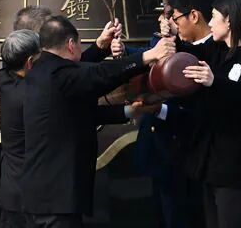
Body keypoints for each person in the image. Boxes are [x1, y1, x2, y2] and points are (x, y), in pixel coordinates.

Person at [22, 16, 176, 227]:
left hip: (45, 193)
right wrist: (148, 56)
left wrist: (100, 47)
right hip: (56, 198)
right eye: (79, 44)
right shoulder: (60, 76)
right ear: (70, 44)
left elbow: (80, 78)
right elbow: (97, 75)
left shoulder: (41, 70)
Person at [159, 0, 241, 228]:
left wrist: (215, 82)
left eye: (214, 17)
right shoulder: (220, 51)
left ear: (230, 21)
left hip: (235, 169)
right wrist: (173, 36)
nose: (211, 23)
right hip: (211, 167)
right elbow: (192, 54)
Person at [135, 0, 213, 228]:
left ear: (192, 16)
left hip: (185, 148)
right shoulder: (163, 40)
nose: (166, 21)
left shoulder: (205, 50)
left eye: (172, 16)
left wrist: (161, 110)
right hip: (159, 147)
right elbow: (150, 62)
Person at [0, 29, 41, 228]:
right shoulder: (32, 96)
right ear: (30, 62)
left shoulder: (4, 77)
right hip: (32, 199)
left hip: (10, 194)